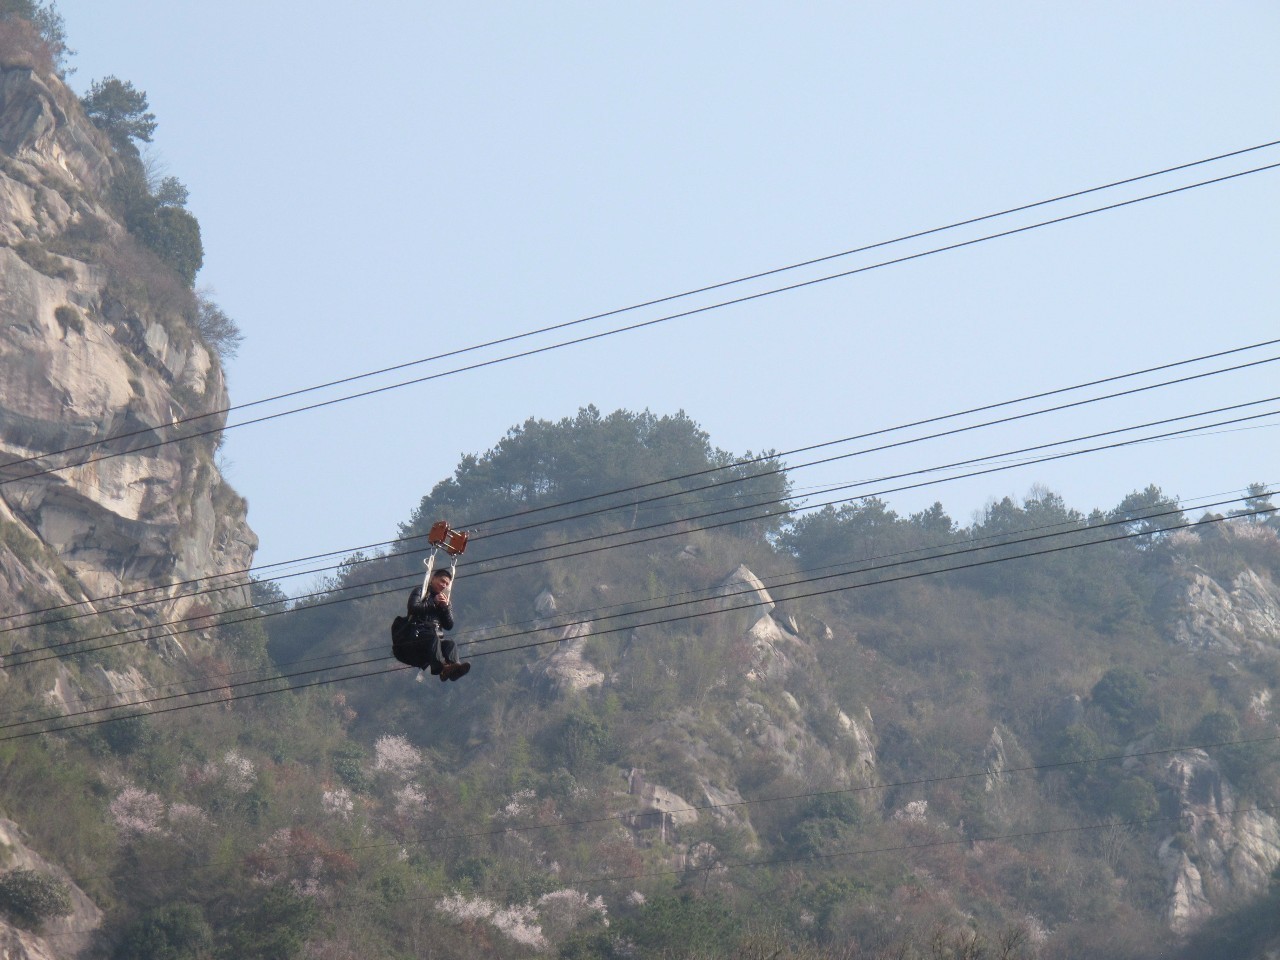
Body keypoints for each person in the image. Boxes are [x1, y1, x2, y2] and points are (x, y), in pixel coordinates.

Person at [401, 568, 470, 681]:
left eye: (447, 584)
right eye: (442, 581)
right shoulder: (421, 592)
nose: (444, 585)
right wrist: (433, 603)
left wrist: (445, 608)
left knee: (450, 644)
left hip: (434, 639)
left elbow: (449, 625)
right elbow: (413, 608)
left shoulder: (445, 601)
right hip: (417, 635)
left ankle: (454, 668)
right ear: (433, 579)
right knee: (433, 637)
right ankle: (442, 667)